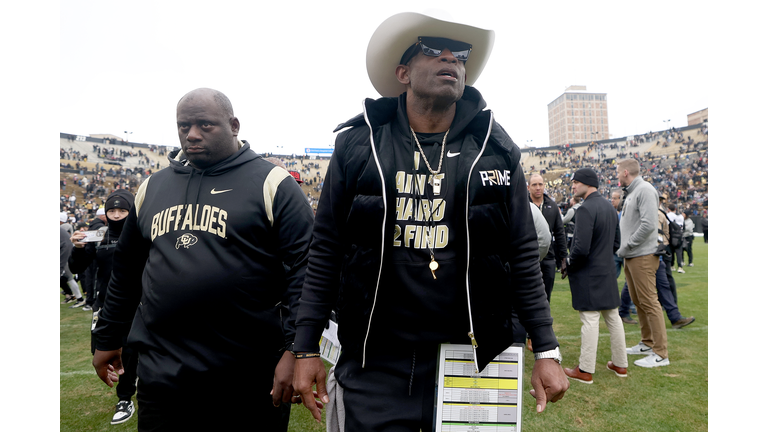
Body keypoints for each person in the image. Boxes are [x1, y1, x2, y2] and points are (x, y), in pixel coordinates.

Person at [292, 12, 568, 431]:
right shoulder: (357, 144)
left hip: (473, 356)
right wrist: (304, 346)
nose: (450, 59)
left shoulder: (495, 147)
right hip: (375, 358)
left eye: (459, 54)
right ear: (403, 72)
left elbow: (521, 253)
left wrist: (546, 349)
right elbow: (326, 248)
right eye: (432, 49)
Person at [91, 88, 316, 431]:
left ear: (234, 125)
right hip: (163, 372)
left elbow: (306, 270)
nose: (192, 134)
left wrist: (297, 349)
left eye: (204, 125)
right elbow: (126, 270)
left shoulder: (273, 183)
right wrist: (108, 338)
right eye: (184, 126)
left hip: (248, 373)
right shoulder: (152, 187)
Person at [70, 189, 140, 425]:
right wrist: (78, 247)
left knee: (130, 351)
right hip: (105, 304)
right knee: (103, 349)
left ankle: (125, 397)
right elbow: (78, 266)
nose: (117, 215)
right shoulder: (97, 235)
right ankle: (129, 385)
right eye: (112, 210)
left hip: (136, 302)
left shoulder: (142, 234)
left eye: (123, 210)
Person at [562, 168, 627, 384]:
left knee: (590, 319)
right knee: (613, 317)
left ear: (587, 183)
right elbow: (616, 243)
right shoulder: (610, 207)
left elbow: (580, 249)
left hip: (589, 273)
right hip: (607, 270)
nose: (573, 186)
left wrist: (569, 264)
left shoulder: (585, 209)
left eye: (576, 182)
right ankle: (620, 364)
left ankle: (585, 369)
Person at [616, 159, 670, 368]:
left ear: (626, 172)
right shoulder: (633, 191)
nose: (617, 175)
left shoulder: (645, 190)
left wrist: (628, 245)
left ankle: (661, 353)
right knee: (638, 301)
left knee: (649, 302)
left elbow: (648, 225)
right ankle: (647, 343)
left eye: (618, 172)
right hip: (632, 255)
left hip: (642, 255)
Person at [529, 173, 569, 302]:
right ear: (528, 187)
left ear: (544, 186)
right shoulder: (521, 205)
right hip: (528, 257)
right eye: (534, 184)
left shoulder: (552, 206)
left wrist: (563, 257)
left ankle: (544, 321)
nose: (538, 187)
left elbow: (559, 232)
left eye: (540, 184)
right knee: (527, 295)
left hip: (548, 258)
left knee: (546, 297)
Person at [666, 203, 685, 273]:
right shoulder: (680, 216)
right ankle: (680, 267)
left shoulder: (668, 215)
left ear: (669, 209)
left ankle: (672, 265)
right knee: (679, 252)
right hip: (679, 235)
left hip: (671, 235)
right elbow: (683, 226)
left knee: (671, 251)